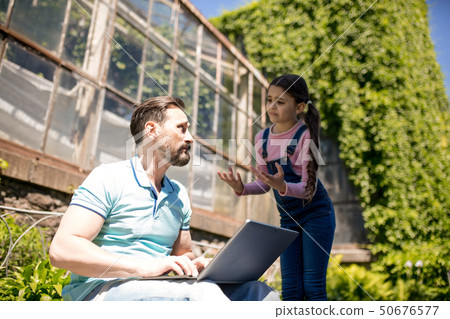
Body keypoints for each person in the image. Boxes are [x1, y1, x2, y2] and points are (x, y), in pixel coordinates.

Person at [50, 96, 279, 301]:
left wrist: (194, 264)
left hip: (159, 288)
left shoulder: (179, 194)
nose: (190, 138)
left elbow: (183, 254)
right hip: (100, 291)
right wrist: (144, 267)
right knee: (202, 294)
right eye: (181, 128)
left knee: (258, 292)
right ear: (151, 130)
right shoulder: (108, 177)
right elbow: (63, 250)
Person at [218, 75, 336, 301]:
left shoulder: (305, 136)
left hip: (316, 214)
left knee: (312, 285)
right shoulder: (262, 138)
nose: (272, 106)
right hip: (289, 218)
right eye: (269, 99)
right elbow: (264, 183)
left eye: (280, 102)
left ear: (299, 107)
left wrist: (282, 185)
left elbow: (307, 188)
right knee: (290, 288)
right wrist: (242, 188)